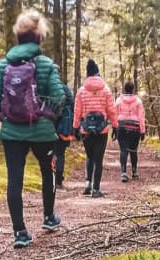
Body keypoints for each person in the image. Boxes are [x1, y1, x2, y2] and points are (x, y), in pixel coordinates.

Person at [0, 9, 65, 248]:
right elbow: (59, 96)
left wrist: (5, 115)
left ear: (18, 37)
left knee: (15, 180)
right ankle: (49, 217)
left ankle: (20, 232)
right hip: (42, 132)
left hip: (11, 132)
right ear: (39, 37)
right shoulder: (45, 64)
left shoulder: (4, 64)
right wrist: (48, 116)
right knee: (48, 172)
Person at [72, 59, 117, 197]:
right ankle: (96, 189)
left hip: (86, 129)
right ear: (98, 73)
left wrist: (75, 127)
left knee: (89, 156)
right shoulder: (106, 90)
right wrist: (115, 126)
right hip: (101, 130)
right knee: (98, 159)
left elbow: (77, 111)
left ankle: (87, 184)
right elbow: (111, 110)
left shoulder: (81, 91)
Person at [114, 81, 146, 182]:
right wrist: (142, 130)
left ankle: (123, 172)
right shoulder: (138, 101)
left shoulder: (119, 100)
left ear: (124, 89)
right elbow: (141, 117)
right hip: (135, 128)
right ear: (133, 89)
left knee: (123, 150)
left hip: (122, 126)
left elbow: (114, 114)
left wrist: (115, 128)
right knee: (133, 150)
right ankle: (134, 171)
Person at [52, 78, 75, 189]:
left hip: (49, 125)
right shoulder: (65, 89)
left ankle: (51, 178)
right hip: (64, 127)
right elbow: (72, 106)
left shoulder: (47, 89)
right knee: (60, 154)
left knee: (50, 153)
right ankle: (58, 180)